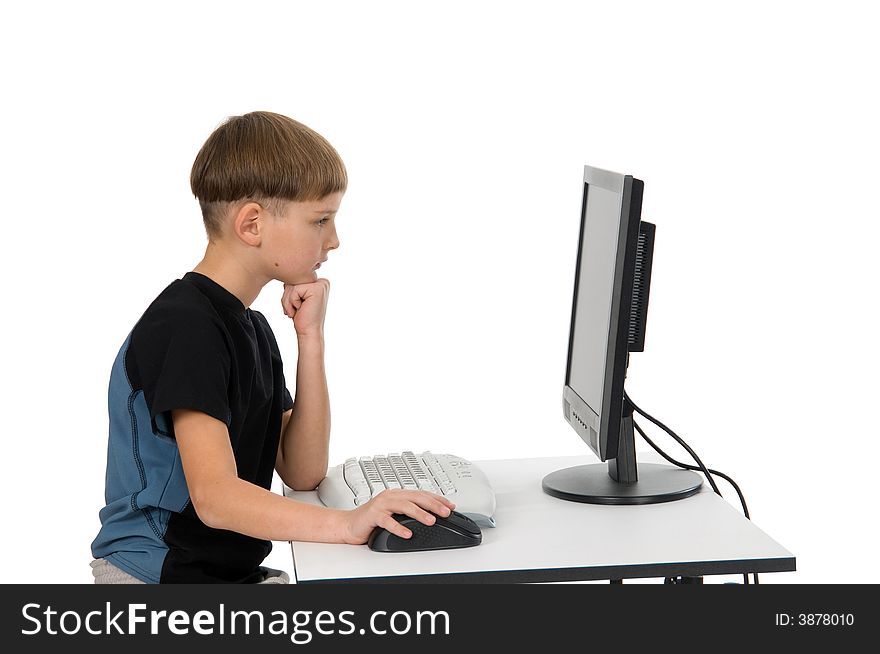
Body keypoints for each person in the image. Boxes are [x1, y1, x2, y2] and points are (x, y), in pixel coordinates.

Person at [90, 111, 454, 583]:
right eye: (321, 219)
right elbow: (215, 497)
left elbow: (301, 471)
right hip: (154, 575)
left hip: (218, 572)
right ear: (252, 224)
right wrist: (347, 524)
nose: (335, 239)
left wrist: (311, 339)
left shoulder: (251, 328)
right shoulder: (186, 327)